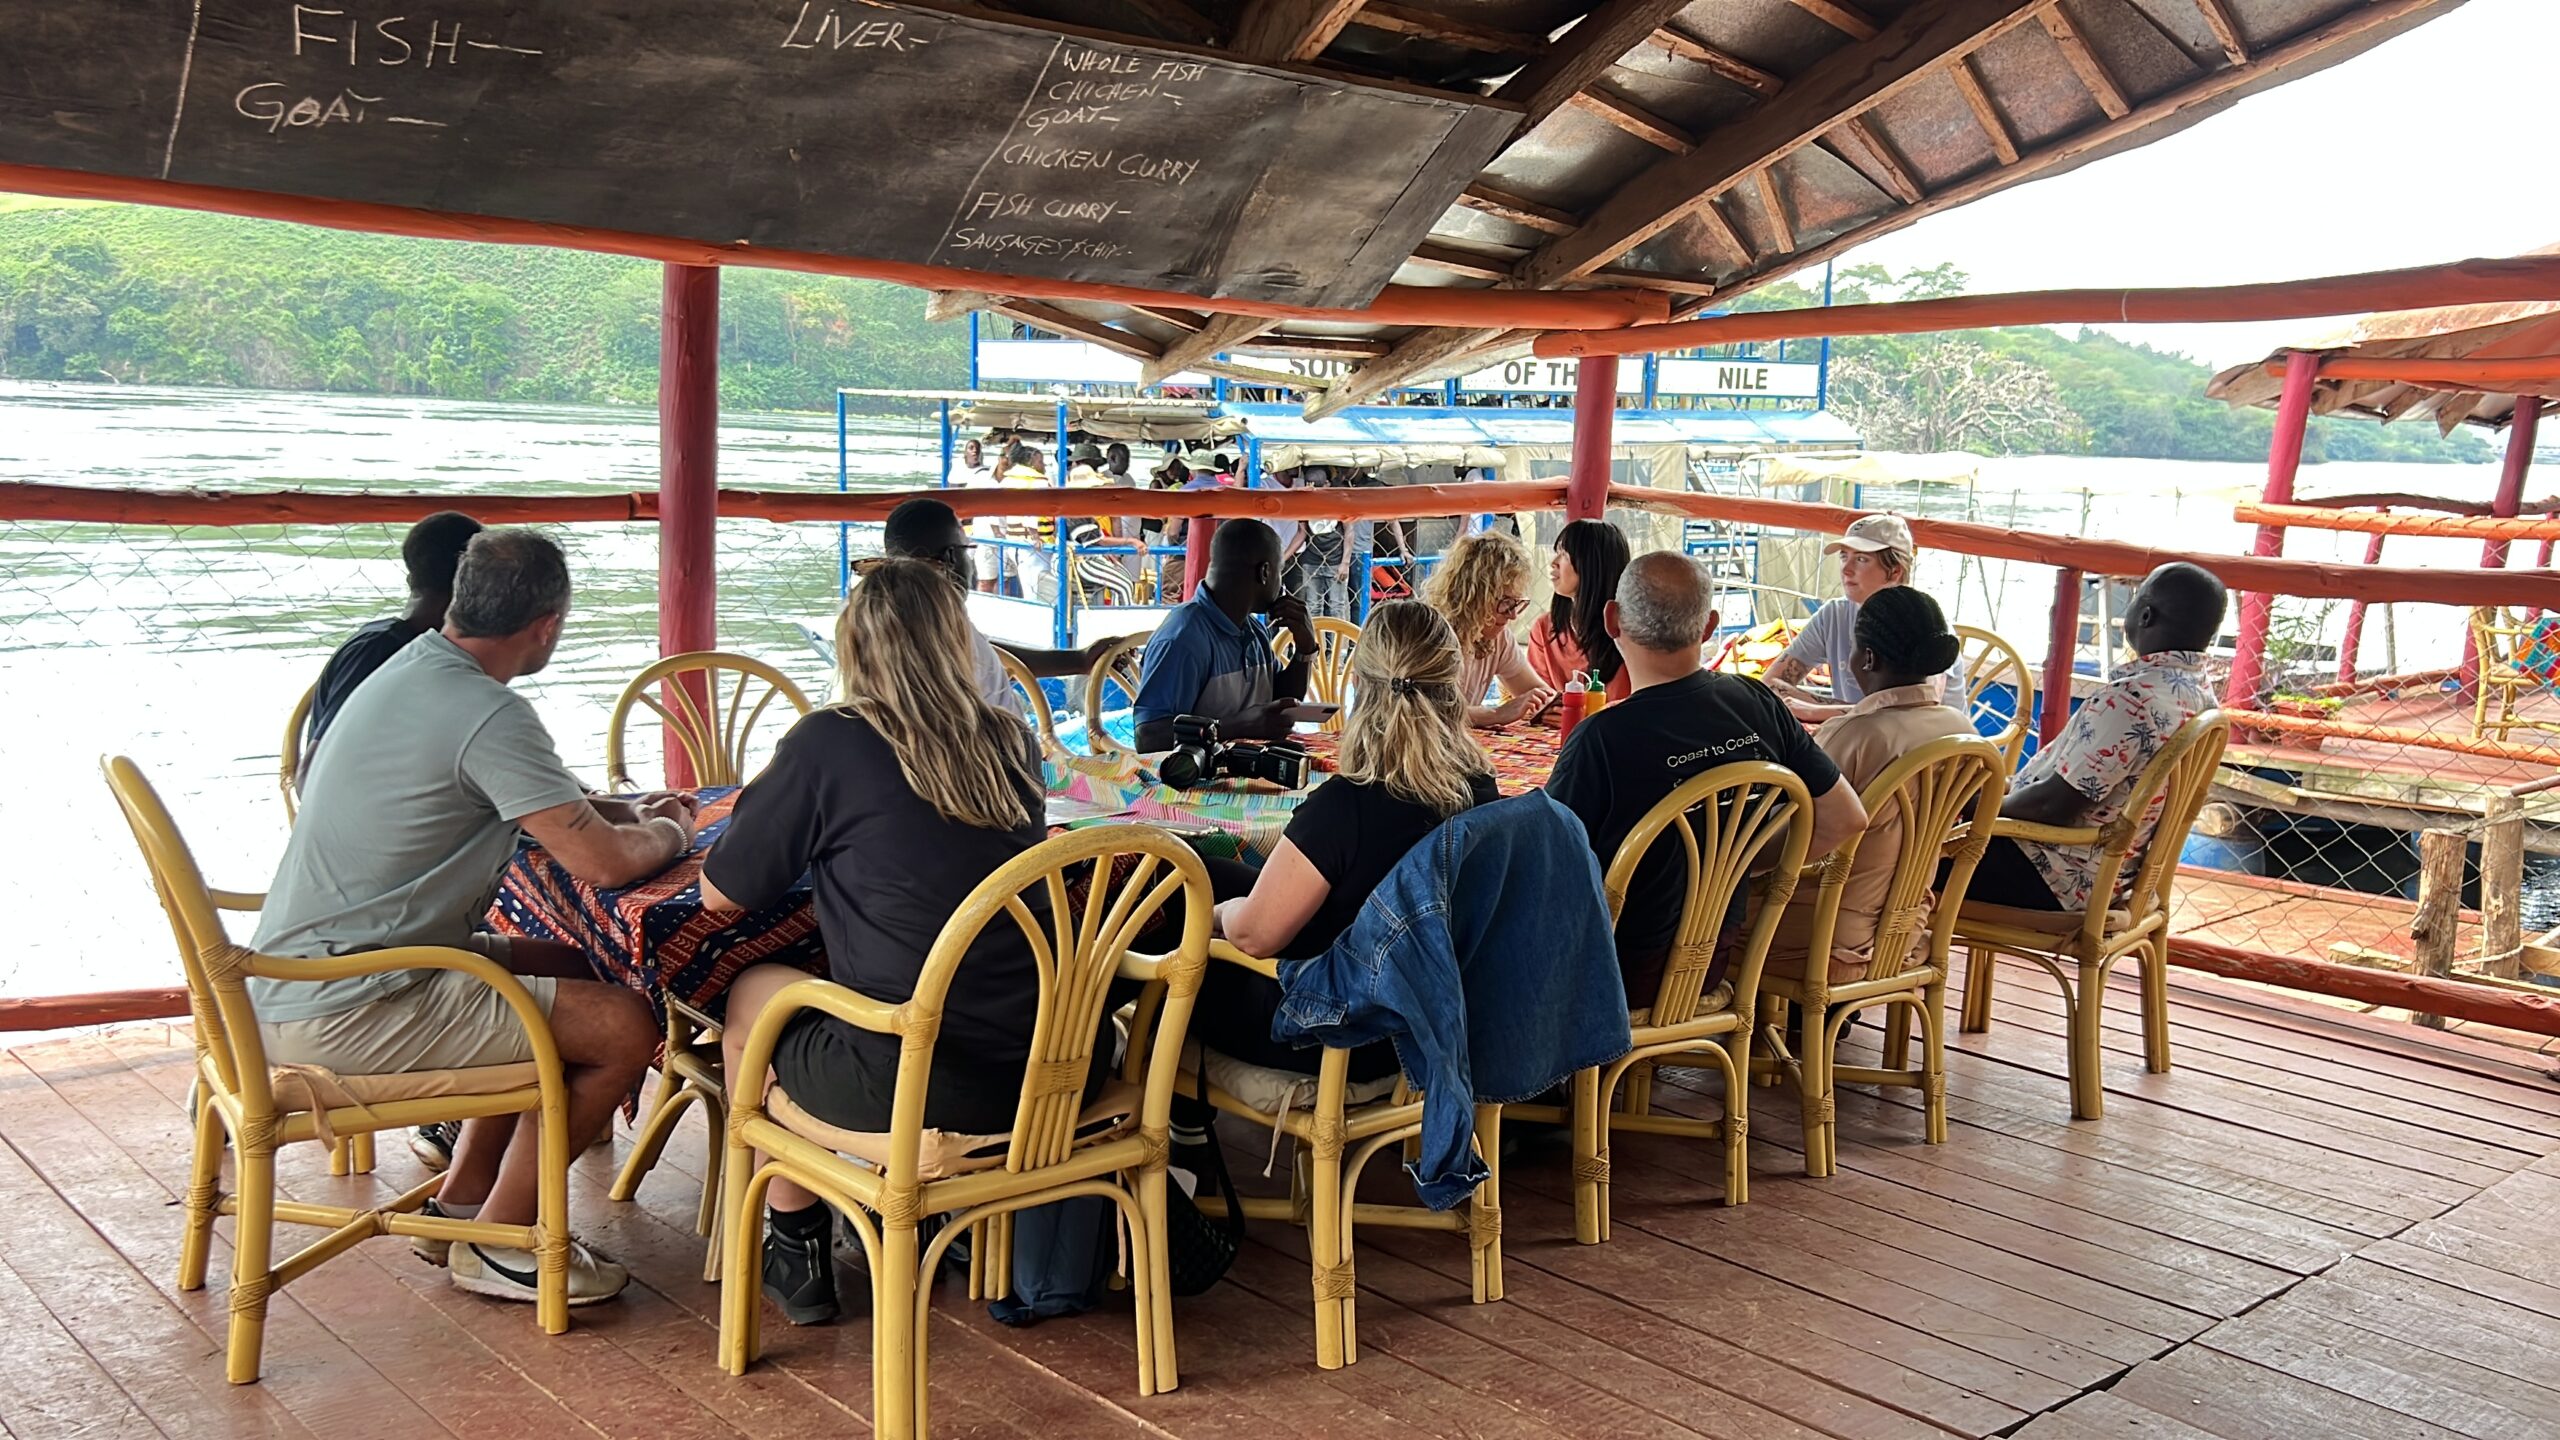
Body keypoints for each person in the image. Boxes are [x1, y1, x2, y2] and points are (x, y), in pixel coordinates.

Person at [251, 529, 677, 1307]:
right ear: (548, 624)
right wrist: (672, 831)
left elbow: (536, 803)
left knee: (570, 966)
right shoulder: (486, 712)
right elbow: (607, 865)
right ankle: (503, 1239)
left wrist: (618, 811)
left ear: (457, 598)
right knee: (622, 1027)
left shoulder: (409, 669)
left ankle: (463, 1198)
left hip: (303, 976)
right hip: (351, 1007)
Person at [703, 560, 1091, 1326]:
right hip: (1043, 1064)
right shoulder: (1010, 740)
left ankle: (796, 1238)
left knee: (751, 994)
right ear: (957, 644)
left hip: (912, 1083)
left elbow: (722, 895)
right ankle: (901, 1227)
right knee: (867, 986)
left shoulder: (828, 742)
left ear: (853, 648)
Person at [1545, 552, 1869, 1001]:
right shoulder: (1758, 702)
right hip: (1713, 957)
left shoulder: (1600, 740)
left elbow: (1547, 875)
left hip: (1615, 974)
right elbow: (1846, 818)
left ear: (1612, 619)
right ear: (1710, 626)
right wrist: (1731, 863)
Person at [1199, 601, 1500, 1081]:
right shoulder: (1481, 790)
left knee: (1176, 948)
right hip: (1435, 1017)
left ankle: (1167, 1116)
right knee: (1200, 869)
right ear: (1454, 687)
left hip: (1342, 1032)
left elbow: (1256, 937)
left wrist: (1214, 916)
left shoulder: (1347, 806)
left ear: (1359, 687)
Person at [1967, 563, 2227, 913]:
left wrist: (1969, 808)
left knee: (1897, 861)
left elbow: (2051, 807)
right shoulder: (2200, 696)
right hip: (2110, 876)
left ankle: (1897, 960)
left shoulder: (2131, 700)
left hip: (2052, 876)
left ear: (2145, 615)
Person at [1766, 587, 1977, 983]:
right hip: (1907, 931)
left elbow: (1788, 835)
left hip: (1825, 938)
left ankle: (1734, 1031)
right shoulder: (1961, 731)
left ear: (1867, 657)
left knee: (1704, 906)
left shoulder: (1855, 736)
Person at [879, 499, 1129, 716]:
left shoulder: (889, 622)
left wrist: (1080, 659)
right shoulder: (937, 631)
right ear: (951, 558)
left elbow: (992, 654)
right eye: (967, 550)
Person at [302, 510, 484, 763]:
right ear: (472, 589)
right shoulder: (381, 652)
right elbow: (315, 768)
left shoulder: (407, 647)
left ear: (412, 577)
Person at [1132, 519, 1313, 750]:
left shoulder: (1253, 630)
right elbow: (1148, 737)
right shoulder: (1183, 638)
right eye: (1280, 572)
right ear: (1265, 572)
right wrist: (1236, 727)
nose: (1282, 584)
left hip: (1249, 770)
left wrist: (1305, 649)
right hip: (1197, 782)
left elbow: (1279, 706)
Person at [1762, 514, 1936, 723]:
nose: (1846, 569)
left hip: (1923, 748)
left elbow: (1919, 712)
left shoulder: (1923, 623)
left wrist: (1818, 710)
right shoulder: (1835, 615)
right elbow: (1769, 683)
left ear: (1895, 571)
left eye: (1861, 559)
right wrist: (1828, 710)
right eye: (1844, 556)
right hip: (1859, 734)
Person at [1424, 531, 1557, 728]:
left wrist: (1556, 707)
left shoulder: (1497, 636)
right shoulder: (1429, 633)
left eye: (1517, 603)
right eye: (1506, 603)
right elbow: (1426, 713)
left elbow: (1538, 694)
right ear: (1474, 596)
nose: (1513, 615)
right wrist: (1495, 713)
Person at [1526, 518, 1632, 703]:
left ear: (1592, 564)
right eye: (1556, 553)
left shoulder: (1631, 632)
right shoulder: (1545, 628)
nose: (1553, 562)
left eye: (1564, 554)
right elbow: (1541, 702)